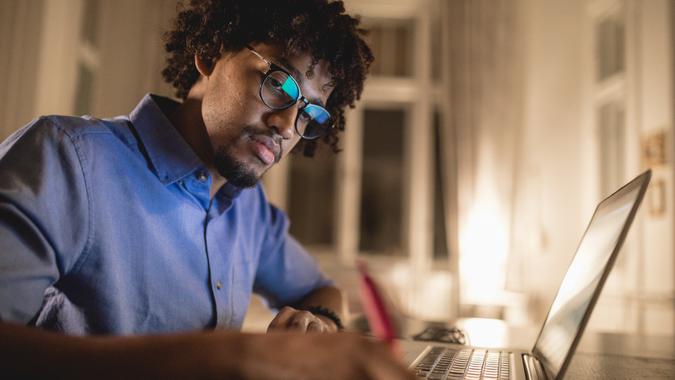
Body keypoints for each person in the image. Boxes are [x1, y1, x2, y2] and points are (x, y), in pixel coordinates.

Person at [0, 0, 414, 378]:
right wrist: (235, 357)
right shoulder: (66, 158)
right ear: (210, 53)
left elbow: (321, 291)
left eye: (309, 113)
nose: (287, 127)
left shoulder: (250, 210)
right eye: (279, 84)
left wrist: (320, 324)